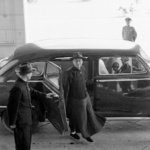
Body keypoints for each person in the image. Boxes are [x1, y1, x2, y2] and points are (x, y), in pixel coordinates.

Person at [7, 63, 55, 150]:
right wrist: (12, 123)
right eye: (31, 72)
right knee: (22, 145)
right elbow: (12, 107)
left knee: (26, 142)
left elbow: (32, 92)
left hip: (26, 120)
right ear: (27, 74)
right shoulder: (17, 87)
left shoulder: (24, 83)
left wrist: (45, 95)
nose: (32, 74)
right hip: (21, 122)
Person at [63, 52, 106, 143]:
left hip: (85, 97)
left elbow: (84, 83)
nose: (78, 62)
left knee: (89, 114)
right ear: (73, 62)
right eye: (76, 61)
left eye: (79, 60)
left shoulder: (83, 69)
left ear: (82, 61)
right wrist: (65, 104)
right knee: (80, 117)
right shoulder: (68, 73)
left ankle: (75, 132)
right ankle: (85, 134)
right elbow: (66, 90)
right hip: (76, 99)